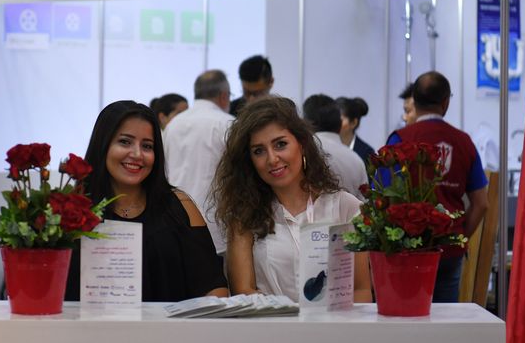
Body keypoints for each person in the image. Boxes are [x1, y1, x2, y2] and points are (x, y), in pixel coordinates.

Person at [212, 96, 372, 303]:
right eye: (259, 151)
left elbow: (360, 290)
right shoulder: (244, 217)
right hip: (271, 323)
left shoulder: (346, 207)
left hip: (335, 323)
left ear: (302, 144)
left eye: (280, 144)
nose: (272, 159)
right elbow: (243, 292)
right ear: (249, 160)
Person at [65, 101, 228, 302]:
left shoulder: (180, 205)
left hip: (168, 323)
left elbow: (213, 284)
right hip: (87, 322)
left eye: (147, 146)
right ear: (103, 145)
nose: (137, 154)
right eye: (125, 142)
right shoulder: (72, 209)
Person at [386, 71, 489, 303]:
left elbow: (385, 196)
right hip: (449, 249)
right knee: (445, 317)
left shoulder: (400, 139)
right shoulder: (463, 142)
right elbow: (481, 203)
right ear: (446, 102)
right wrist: (458, 237)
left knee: (409, 313)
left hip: (408, 250)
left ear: (414, 100)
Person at [163, 70, 234, 253]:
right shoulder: (227, 124)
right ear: (224, 96)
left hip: (175, 220)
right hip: (215, 225)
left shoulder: (173, 125)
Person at [302, 94, 368, 200]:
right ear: (339, 124)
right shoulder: (356, 160)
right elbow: (364, 203)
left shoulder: (303, 152)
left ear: (305, 123)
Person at [335, 96, 375, 164]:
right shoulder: (326, 147)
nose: (334, 122)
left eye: (340, 120)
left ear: (354, 123)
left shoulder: (367, 152)